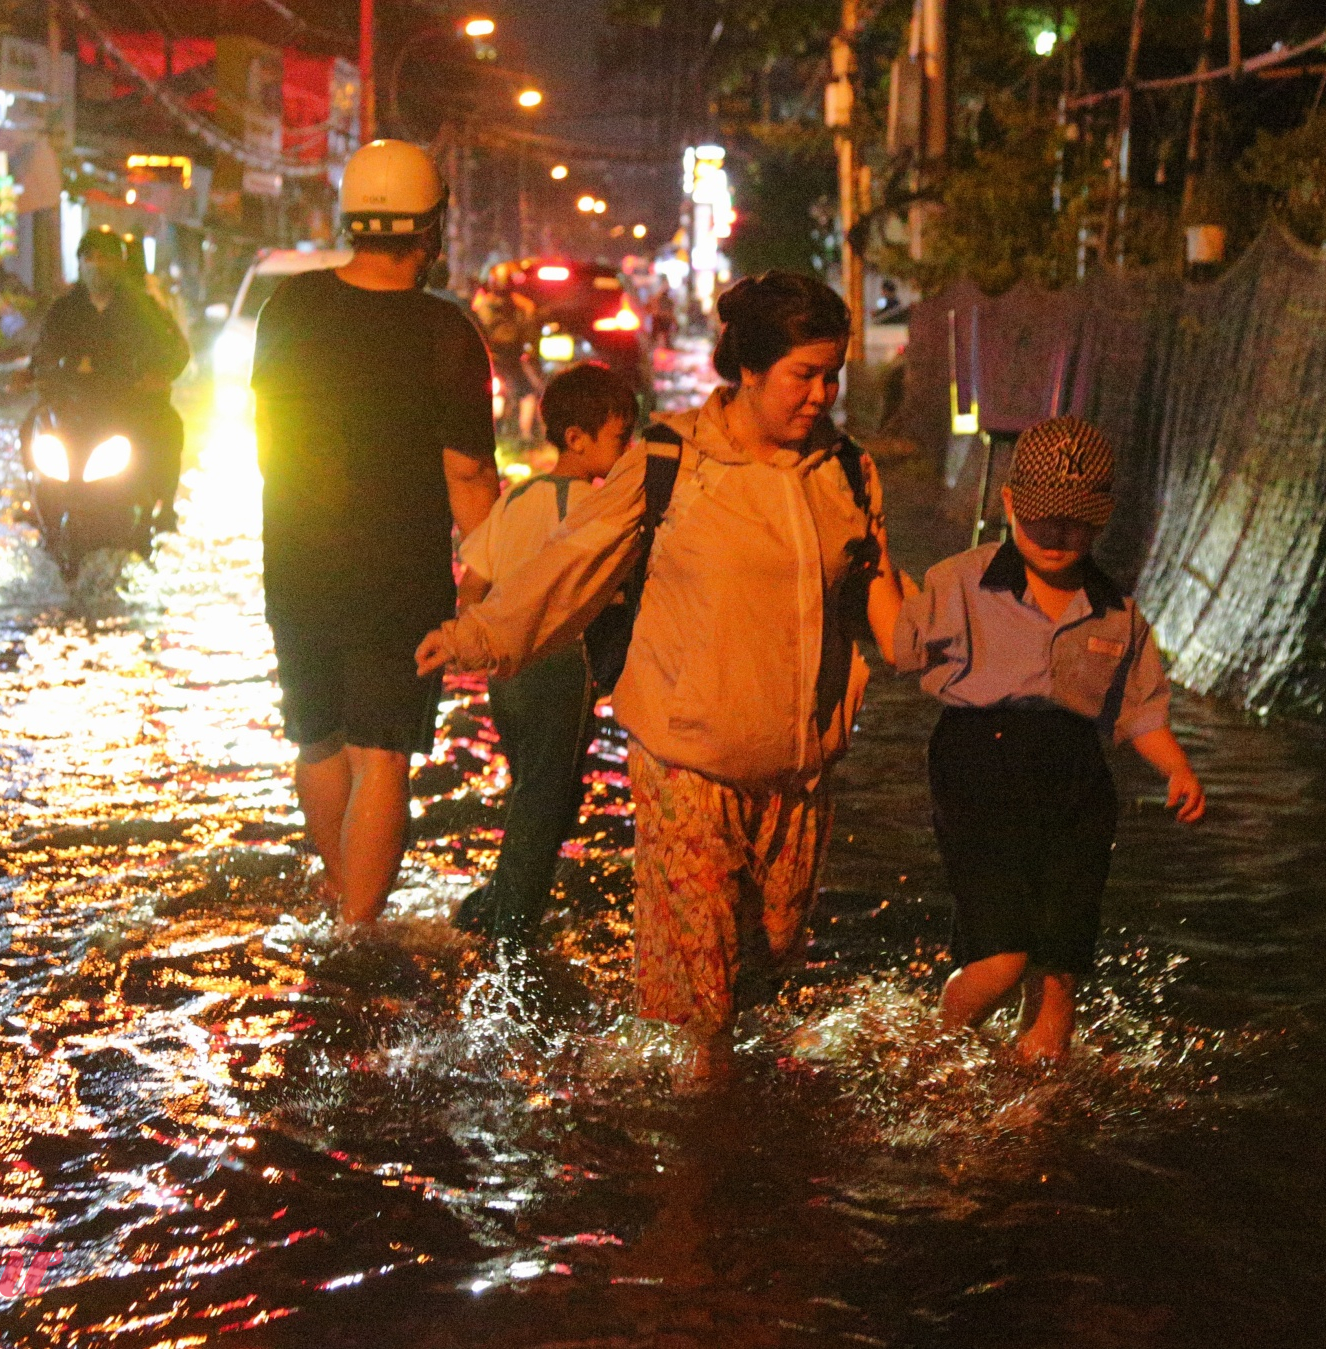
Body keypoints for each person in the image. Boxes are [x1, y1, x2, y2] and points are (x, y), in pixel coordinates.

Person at [417, 271, 909, 1086]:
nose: (822, 395)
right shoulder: (671, 459)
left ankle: (708, 1098)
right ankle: (689, 1139)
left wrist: (943, 646)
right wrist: (475, 633)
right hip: (687, 759)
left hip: (797, 768)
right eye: (804, 375)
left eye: (833, 375)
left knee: (769, 959)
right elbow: (571, 564)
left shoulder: (846, 470)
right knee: (701, 1006)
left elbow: (878, 586)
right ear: (748, 369)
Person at [890, 416, 1206, 1062]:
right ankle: (929, 1047)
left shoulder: (1116, 611)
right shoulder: (961, 582)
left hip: (1074, 779)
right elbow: (900, 642)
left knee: (1059, 968)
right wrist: (871, 574)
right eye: (1041, 518)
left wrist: (1177, 769)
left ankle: (1035, 1095)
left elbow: (1140, 710)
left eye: (1076, 521)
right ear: (1009, 504)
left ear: (1103, 518)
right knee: (1002, 959)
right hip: (978, 764)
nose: (1058, 534)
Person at [255, 139, 500, 926]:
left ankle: (342, 898)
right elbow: (469, 476)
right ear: (430, 230)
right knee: (381, 751)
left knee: (319, 739)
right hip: (398, 570)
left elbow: (267, 437)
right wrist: (490, 580)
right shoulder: (446, 332)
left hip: (296, 560)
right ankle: (359, 931)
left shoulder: (287, 308)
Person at [451, 363, 637, 944]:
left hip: (505, 672)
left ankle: (493, 905)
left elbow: (473, 584)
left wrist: (473, 643)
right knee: (550, 797)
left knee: (529, 788)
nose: (627, 451)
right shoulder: (596, 509)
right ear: (577, 438)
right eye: (619, 438)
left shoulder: (517, 497)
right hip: (561, 666)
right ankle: (510, 927)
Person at [34, 229, 189, 532]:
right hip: (73, 406)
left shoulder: (143, 309)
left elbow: (175, 350)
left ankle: (164, 506)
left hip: (128, 403)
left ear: (119, 264)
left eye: (104, 257)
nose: (96, 265)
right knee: (33, 426)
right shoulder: (64, 310)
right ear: (80, 263)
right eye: (90, 257)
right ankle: (41, 501)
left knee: (169, 427)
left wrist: (157, 374)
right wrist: (36, 372)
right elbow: (43, 351)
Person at [472, 263, 540, 443]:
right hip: (507, 357)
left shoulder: (483, 304)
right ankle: (524, 435)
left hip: (494, 357)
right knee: (526, 392)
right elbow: (528, 322)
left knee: (504, 392)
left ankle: (507, 434)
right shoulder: (517, 304)